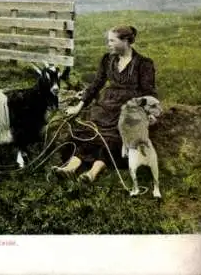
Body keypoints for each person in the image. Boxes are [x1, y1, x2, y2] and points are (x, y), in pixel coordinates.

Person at [53, 25, 158, 183]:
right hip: (106, 104)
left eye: (112, 40)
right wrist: (78, 106)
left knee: (113, 138)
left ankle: (92, 173)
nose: (108, 44)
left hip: (128, 108)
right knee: (90, 132)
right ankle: (70, 168)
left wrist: (149, 113)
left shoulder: (144, 64)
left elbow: (149, 91)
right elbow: (96, 85)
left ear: (126, 41)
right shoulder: (107, 59)